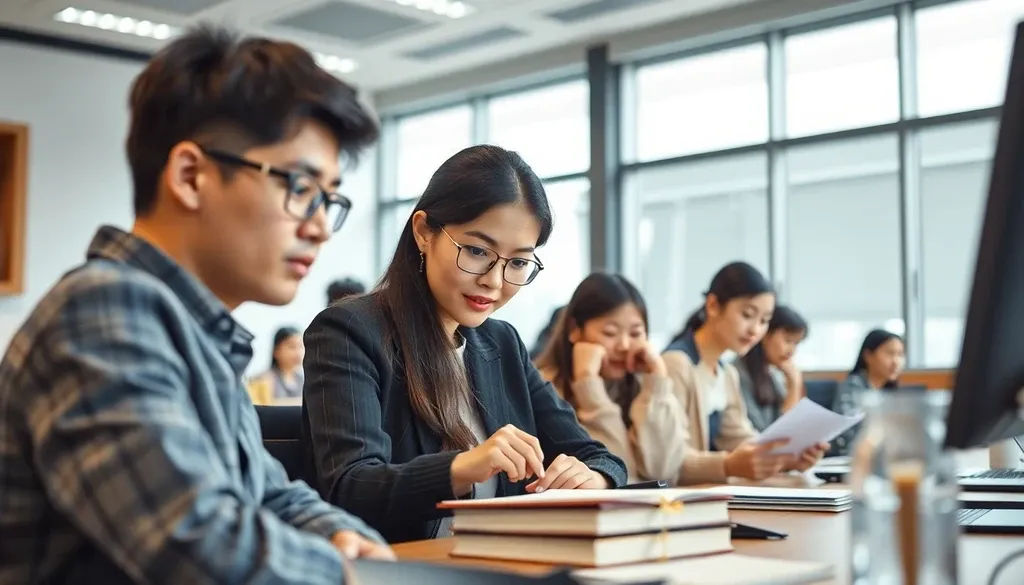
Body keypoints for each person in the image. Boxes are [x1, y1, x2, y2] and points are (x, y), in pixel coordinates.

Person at [0, 26, 393, 585]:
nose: (320, 228)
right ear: (190, 176)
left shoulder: (192, 330)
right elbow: (196, 544)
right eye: (301, 189)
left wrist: (338, 535)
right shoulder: (101, 312)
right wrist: (347, 572)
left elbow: (270, 494)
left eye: (330, 198)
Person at [302, 145, 627, 543]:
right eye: (476, 251)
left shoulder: (502, 343)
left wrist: (594, 477)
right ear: (423, 232)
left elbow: (600, 457)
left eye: (518, 262)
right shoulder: (350, 331)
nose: (494, 280)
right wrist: (462, 467)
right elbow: (350, 487)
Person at [640, 262, 827, 485]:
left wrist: (786, 459)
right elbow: (667, 463)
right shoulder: (676, 364)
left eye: (764, 321)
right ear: (713, 305)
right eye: (747, 315)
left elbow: (740, 439)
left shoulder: (727, 373)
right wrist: (728, 465)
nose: (755, 330)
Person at [534, 273, 678, 481]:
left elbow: (664, 472)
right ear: (575, 330)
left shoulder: (643, 386)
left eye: (636, 333)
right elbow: (618, 475)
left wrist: (657, 383)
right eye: (610, 333)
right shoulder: (545, 389)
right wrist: (587, 383)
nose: (624, 346)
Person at [830, 329, 907, 456]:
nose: (896, 362)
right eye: (889, 353)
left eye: (900, 354)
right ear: (868, 356)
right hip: (850, 459)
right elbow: (850, 430)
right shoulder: (852, 386)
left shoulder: (890, 392)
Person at [734, 305, 809, 432]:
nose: (792, 350)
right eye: (788, 341)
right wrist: (794, 387)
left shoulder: (774, 373)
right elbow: (772, 434)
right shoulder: (738, 374)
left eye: (796, 343)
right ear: (766, 335)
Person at [248, 326, 305, 404]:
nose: (298, 353)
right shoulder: (262, 379)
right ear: (276, 351)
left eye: (301, 346)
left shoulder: (303, 380)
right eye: (292, 347)